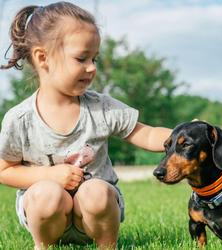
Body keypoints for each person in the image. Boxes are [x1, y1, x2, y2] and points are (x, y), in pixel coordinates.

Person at [0, 2, 171, 249]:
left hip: (95, 214)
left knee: (96, 193)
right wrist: (47, 175)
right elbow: (4, 170)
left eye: (95, 58)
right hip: (47, 216)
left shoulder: (100, 107)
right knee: (47, 193)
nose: (92, 68)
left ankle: (106, 245)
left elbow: (146, 133)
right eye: (82, 58)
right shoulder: (20, 119)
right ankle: (43, 246)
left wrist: (183, 136)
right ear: (42, 57)